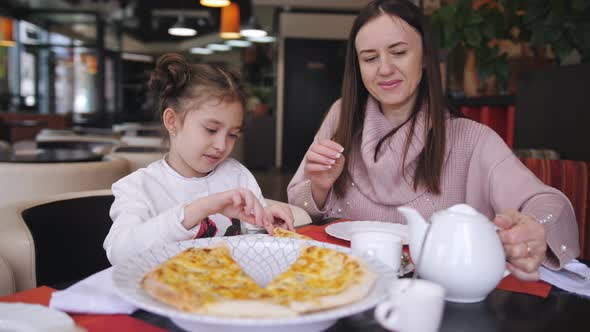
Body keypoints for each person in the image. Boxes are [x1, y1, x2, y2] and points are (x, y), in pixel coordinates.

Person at [287, 0, 579, 280]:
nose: (384, 68)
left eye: (399, 52)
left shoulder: (471, 139)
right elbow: (297, 208)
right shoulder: (342, 117)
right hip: (344, 286)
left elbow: (548, 202)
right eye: (370, 58)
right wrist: (320, 186)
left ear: (426, 56)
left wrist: (533, 228)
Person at [105, 53, 294, 265]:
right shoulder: (139, 187)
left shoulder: (237, 175)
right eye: (211, 129)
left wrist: (269, 225)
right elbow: (119, 254)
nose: (222, 145)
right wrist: (199, 209)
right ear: (172, 121)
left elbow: (254, 247)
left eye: (232, 134)